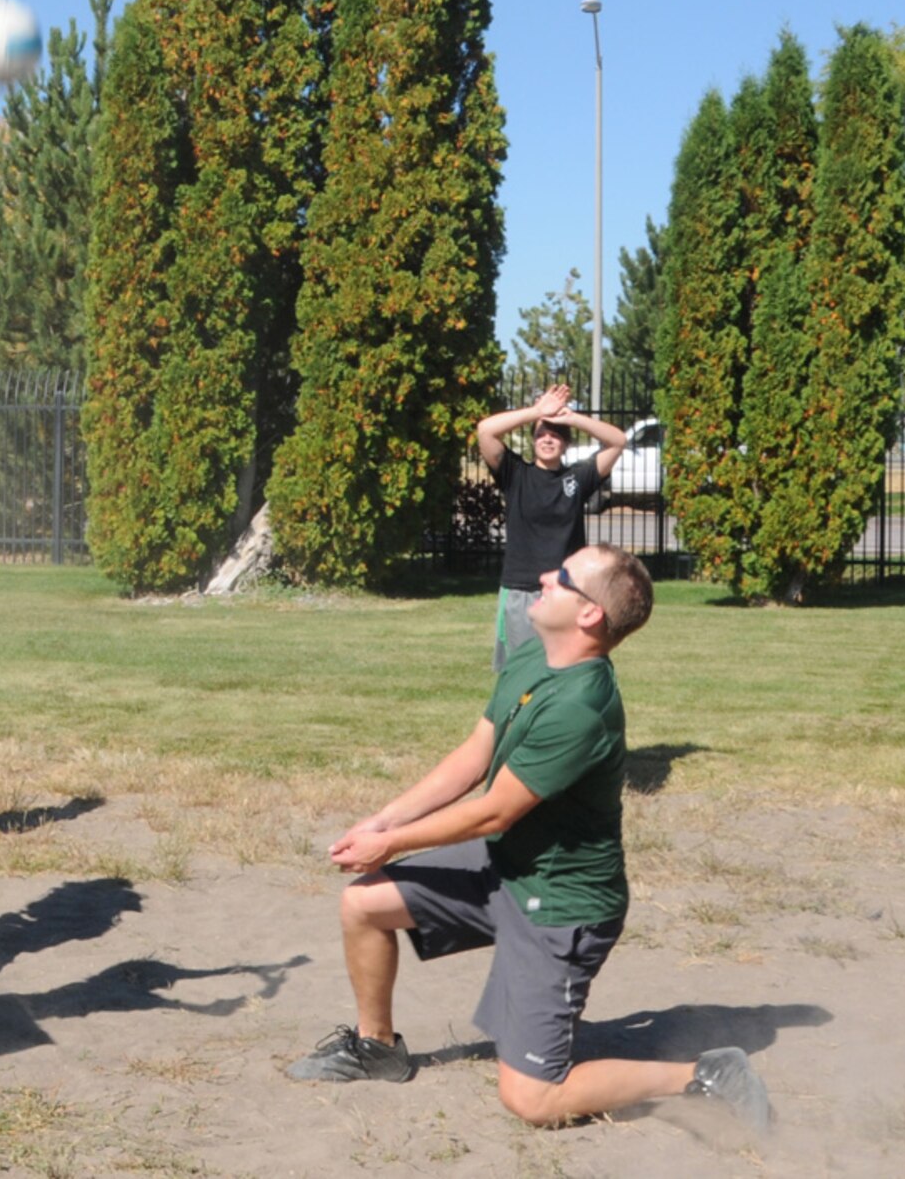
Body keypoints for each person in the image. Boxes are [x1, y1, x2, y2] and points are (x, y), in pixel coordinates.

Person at [285, 545, 772, 1134]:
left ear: (589, 615)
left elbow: (493, 811)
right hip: (507, 866)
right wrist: (384, 823)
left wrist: (387, 846)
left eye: (562, 577)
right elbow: (476, 754)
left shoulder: (582, 706)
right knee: (365, 903)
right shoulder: (535, 656)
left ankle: (704, 1074)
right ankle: (378, 1048)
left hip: (561, 905)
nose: (545, 576)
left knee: (534, 1099)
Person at [476, 383, 628, 671]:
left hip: (565, 592)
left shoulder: (578, 479)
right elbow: (485, 430)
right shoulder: (515, 474)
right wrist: (537, 411)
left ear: (566, 443)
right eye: (541, 434)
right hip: (521, 592)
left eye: (555, 435)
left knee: (563, 670)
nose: (548, 440)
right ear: (533, 441)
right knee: (519, 672)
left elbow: (618, 441)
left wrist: (570, 418)